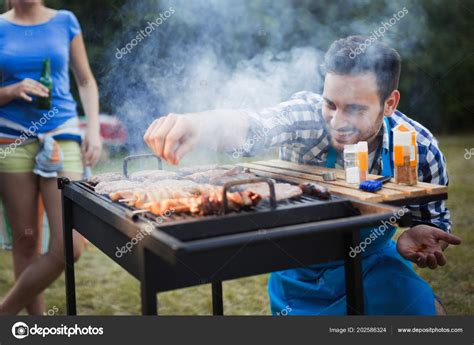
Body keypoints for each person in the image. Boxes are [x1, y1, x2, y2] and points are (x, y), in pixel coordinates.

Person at [143, 36, 462, 315]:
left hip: (373, 265)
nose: (337, 122)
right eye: (330, 104)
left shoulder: (419, 147)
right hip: (300, 271)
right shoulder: (308, 117)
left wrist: (422, 231)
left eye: (354, 108)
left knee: (421, 314)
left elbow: (432, 220)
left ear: (389, 103)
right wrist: (200, 123)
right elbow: (255, 124)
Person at [0, 0, 101, 315]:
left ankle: (4, 313)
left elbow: (84, 80)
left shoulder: (66, 21)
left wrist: (94, 130)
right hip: (11, 141)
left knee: (70, 246)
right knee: (26, 243)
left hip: (62, 136)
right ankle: (34, 327)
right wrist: (12, 90)